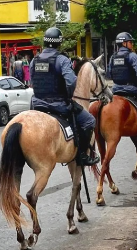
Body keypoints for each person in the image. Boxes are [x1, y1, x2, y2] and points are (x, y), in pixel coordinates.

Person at [30, 27, 99, 166]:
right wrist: (68, 96)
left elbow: (32, 80)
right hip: (58, 105)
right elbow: (71, 81)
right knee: (89, 121)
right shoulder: (62, 60)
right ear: (59, 43)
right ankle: (82, 156)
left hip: (37, 105)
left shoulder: (34, 60)